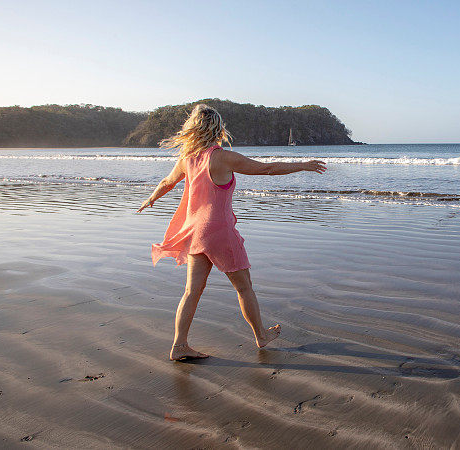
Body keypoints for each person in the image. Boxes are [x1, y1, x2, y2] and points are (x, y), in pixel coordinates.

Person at [137, 104, 326, 361]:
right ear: (217, 128)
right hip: (220, 233)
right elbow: (266, 169)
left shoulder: (187, 159)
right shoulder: (223, 157)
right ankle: (261, 335)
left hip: (195, 232)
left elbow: (166, 182)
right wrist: (301, 165)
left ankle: (179, 345)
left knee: (192, 291)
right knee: (244, 287)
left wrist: (151, 198)